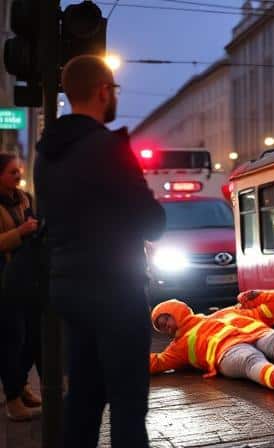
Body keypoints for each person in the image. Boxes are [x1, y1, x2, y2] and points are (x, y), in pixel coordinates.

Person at [34, 55, 166, 447]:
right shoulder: (108, 148)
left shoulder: (45, 154)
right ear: (103, 90)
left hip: (68, 290)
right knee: (127, 404)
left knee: (84, 400)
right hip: (114, 289)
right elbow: (152, 222)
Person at [150, 290, 274, 401]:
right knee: (251, 361)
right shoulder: (179, 345)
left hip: (259, 333)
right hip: (227, 353)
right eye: (160, 326)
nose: (165, 326)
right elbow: (157, 363)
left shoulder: (227, 312)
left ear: (176, 310)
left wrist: (257, 295)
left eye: (164, 318)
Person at [0, 154, 42, 422]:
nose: (18, 176)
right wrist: (23, 232)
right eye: (12, 172)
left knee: (31, 336)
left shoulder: (25, 198)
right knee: (11, 339)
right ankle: (13, 398)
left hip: (27, 276)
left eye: (19, 172)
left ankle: (22, 385)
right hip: (4, 279)